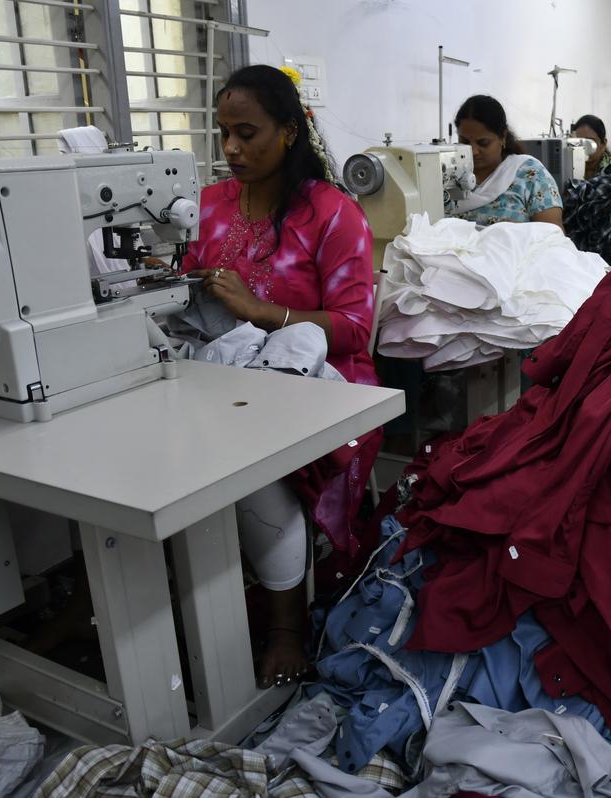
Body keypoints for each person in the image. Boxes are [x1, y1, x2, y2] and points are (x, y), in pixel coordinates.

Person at [181, 64, 380, 686]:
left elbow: (354, 328)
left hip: (324, 384)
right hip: (230, 376)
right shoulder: (207, 207)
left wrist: (262, 312)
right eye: (224, 134)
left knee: (253, 464)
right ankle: (182, 590)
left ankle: (286, 624)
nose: (232, 148)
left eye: (247, 133)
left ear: (289, 131)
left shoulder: (333, 214)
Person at [450, 95, 563, 228]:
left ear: (502, 137)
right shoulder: (450, 176)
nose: (473, 151)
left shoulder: (531, 175)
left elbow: (553, 234)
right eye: (464, 142)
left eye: (483, 143)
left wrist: (519, 232)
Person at [571, 114, 611, 179]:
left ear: (603, 144)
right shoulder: (569, 166)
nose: (583, 148)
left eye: (589, 142)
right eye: (578, 142)